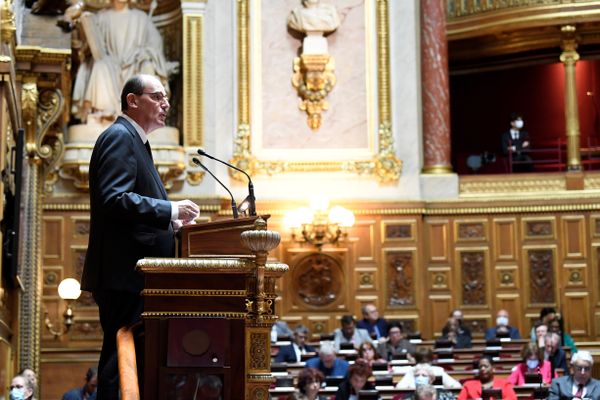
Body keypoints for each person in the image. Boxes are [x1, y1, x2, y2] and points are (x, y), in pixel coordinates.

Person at [81, 74, 200, 399]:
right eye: (158, 97)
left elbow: (130, 208)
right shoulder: (120, 137)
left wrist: (171, 226)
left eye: (166, 98)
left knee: (126, 359)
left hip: (137, 275)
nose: (165, 104)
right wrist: (170, 211)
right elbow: (114, 199)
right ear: (133, 100)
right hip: (127, 275)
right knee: (119, 362)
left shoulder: (136, 142)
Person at [71, 0, 178, 122]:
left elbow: (155, 46)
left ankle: (144, 113)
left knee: (147, 66)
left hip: (135, 63)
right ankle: (105, 112)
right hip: (110, 63)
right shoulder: (101, 17)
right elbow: (89, 47)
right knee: (100, 66)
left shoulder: (141, 18)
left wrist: (143, 53)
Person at [396, 347, 462, 390]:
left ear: (415, 359)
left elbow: (399, 388)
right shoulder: (438, 370)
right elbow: (456, 386)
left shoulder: (412, 370)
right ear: (432, 359)